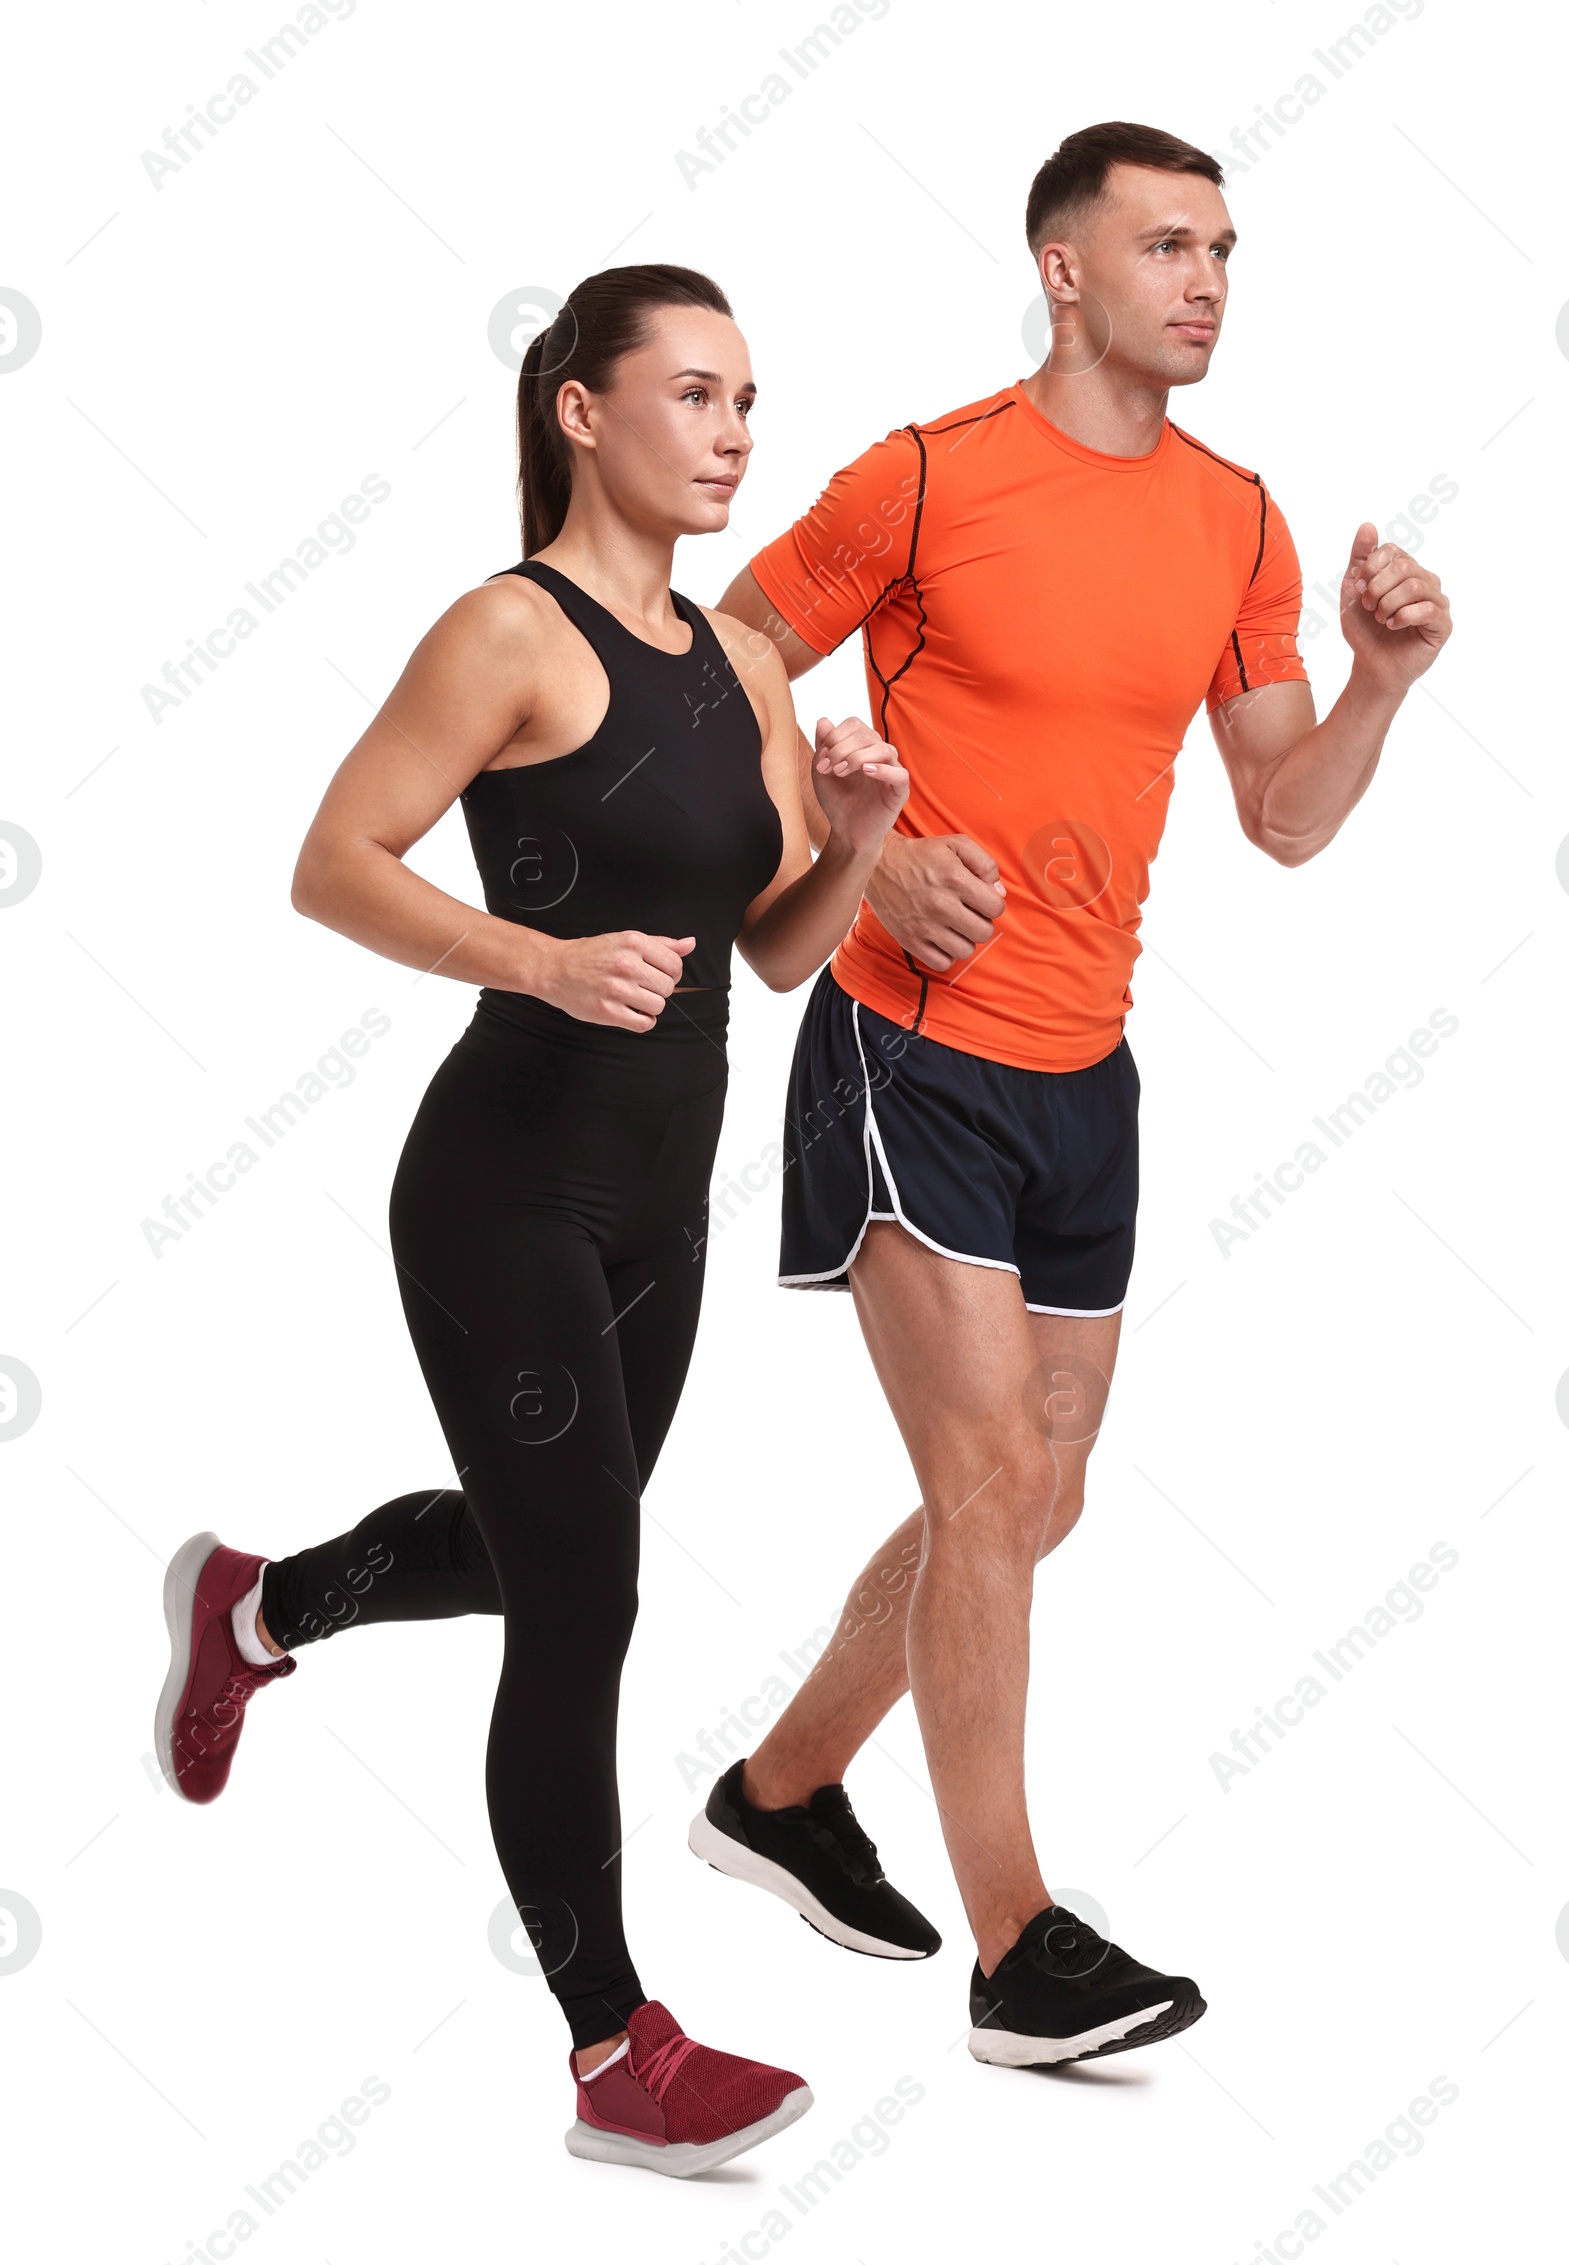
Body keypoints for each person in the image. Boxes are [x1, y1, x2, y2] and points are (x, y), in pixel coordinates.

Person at [691, 120, 1453, 2068]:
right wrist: (849, 851)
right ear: (1061, 270)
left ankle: (775, 1793)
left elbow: (1279, 812)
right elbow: (724, 662)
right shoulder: (928, 473)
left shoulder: (1233, 514)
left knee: (1034, 1496)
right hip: (905, 1046)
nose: (1202, 280)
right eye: (1165, 246)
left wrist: (1372, 680)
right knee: (985, 1482)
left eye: (1220, 250)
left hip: (1083, 1072)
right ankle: (1014, 1946)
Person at [152, 263, 909, 2175]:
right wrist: (534, 958)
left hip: (666, 1202)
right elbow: (332, 861)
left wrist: (864, 831)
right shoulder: (507, 630)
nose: (737, 431)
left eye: (751, 398)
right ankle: (612, 2053)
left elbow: (773, 942)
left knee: (531, 1552)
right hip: (503, 1181)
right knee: (587, 1598)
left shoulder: (745, 662)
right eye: (695, 393)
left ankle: (258, 1603)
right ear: (580, 408)